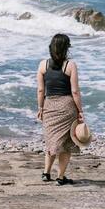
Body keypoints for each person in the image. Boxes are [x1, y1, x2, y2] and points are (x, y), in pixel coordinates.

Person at [36, 33, 84, 185]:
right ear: (67, 48)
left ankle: (46, 172)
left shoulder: (43, 65)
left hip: (49, 106)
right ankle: (61, 177)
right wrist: (80, 111)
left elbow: (40, 90)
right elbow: (75, 91)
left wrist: (40, 108)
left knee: (51, 141)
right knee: (65, 144)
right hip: (67, 107)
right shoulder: (70, 65)